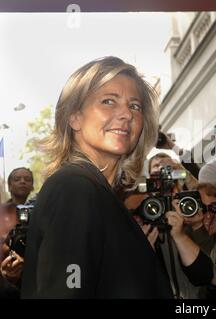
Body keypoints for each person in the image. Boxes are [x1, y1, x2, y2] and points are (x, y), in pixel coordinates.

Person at [20, 56, 172, 298]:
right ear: (74, 117)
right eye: (109, 101)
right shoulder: (74, 188)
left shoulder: (97, 192)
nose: (126, 114)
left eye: (135, 106)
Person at [124, 154, 213, 299]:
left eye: (166, 165)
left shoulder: (189, 208)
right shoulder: (141, 210)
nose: (161, 168)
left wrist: (181, 233)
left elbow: (204, 275)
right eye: (156, 166)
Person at [0, 167, 34, 297]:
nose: (22, 181)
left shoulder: (40, 212)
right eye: (17, 179)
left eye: (27, 179)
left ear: (32, 186)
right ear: (9, 186)